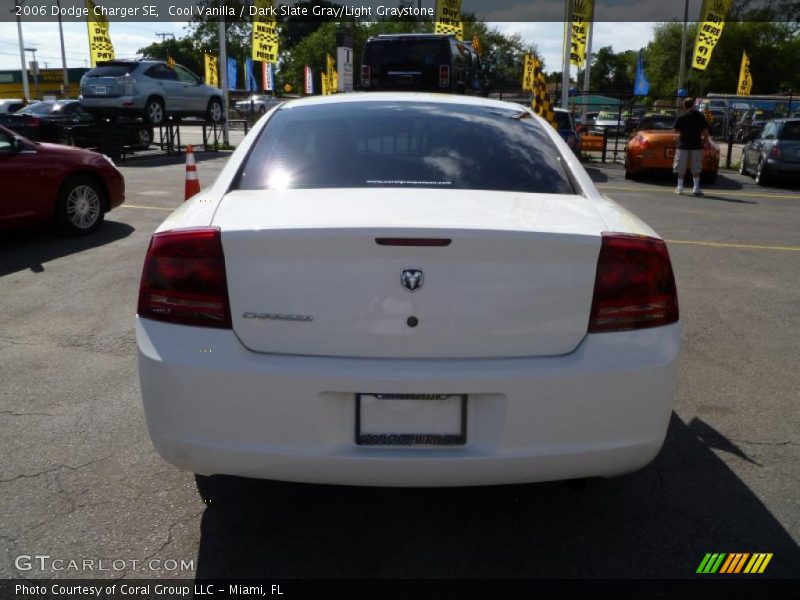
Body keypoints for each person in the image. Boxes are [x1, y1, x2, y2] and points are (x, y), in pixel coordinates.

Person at [672, 97, 712, 196]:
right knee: (696, 166)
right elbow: (705, 131)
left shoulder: (681, 116)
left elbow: (676, 130)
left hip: (683, 145)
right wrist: (706, 142)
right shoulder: (699, 116)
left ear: (684, 105)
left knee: (681, 166)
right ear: (693, 105)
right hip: (696, 145)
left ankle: (680, 187)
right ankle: (696, 187)